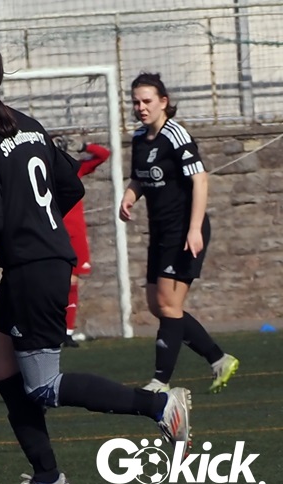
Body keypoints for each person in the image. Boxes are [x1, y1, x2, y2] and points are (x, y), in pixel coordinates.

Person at [0, 40, 192, 484]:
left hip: (34, 268)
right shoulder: (29, 125)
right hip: (34, 263)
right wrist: (40, 227)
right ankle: (47, 478)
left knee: (44, 387)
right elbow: (71, 188)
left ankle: (159, 404)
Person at [122, 73, 239, 394]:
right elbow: (139, 178)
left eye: (147, 101)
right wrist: (129, 197)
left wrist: (194, 229)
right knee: (157, 305)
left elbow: (200, 180)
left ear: (164, 102)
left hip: (184, 229)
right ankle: (218, 359)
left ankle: (160, 381)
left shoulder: (176, 135)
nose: (141, 107)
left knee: (168, 304)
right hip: (160, 230)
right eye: (136, 102)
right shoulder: (139, 137)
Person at [53, 137, 111, 347]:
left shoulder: (74, 170)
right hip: (53, 235)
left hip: (75, 235)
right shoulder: (42, 173)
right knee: (53, 284)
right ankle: (53, 329)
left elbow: (103, 155)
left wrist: (83, 146)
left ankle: (67, 332)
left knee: (72, 284)